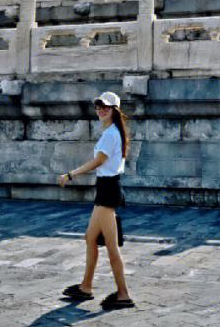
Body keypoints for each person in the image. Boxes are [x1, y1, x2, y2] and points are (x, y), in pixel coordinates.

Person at [59, 91, 134, 310]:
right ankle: (86, 286)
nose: (101, 110)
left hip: (108, 191)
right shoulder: (112, 132)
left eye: (105, 107)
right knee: (90, 238)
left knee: (111, 247)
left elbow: (97, 162)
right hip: (106, 189)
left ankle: (123, 294)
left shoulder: (111, 134)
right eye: (98, 106)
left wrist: (70, 174)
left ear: (114, 110)